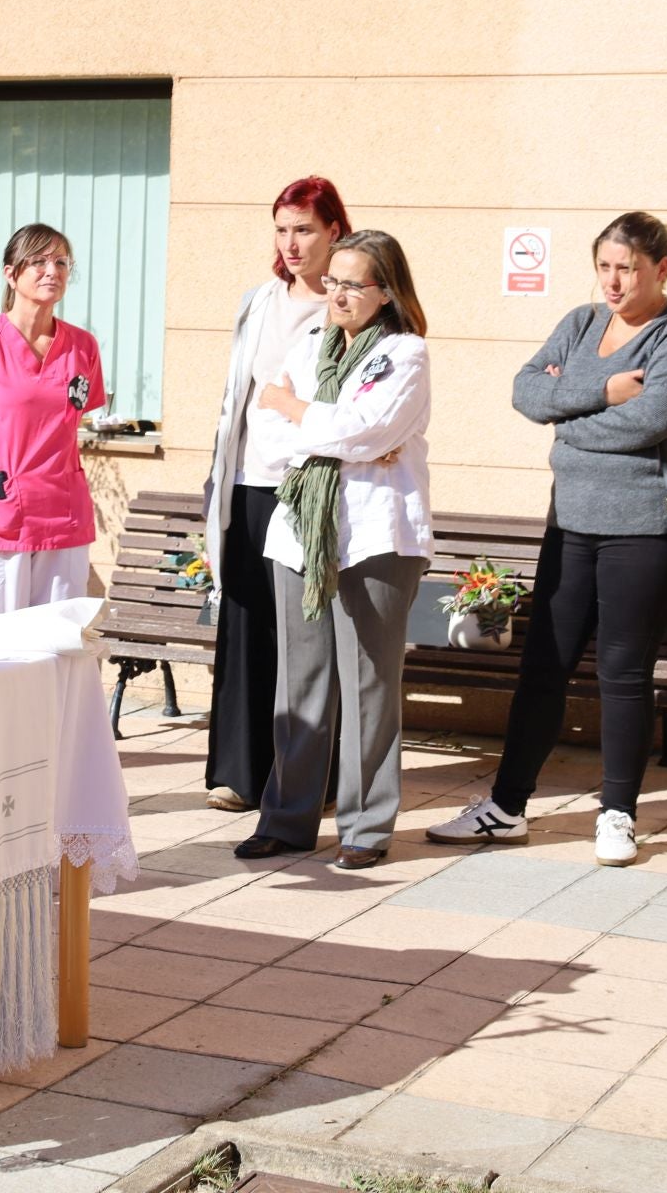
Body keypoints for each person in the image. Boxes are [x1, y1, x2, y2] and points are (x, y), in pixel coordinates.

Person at [427, 213, 667, 867]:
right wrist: (603, 390)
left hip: (642, 527)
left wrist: (570, 418)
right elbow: (528, 392)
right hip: (570, 522)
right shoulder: (582, 324)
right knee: (542, 668)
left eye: (628, 268)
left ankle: (617, 815)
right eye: (605, 266)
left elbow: (656, 417)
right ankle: (506, 808)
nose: (613, 281)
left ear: (661, 268)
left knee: (623, 673)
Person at [234, 230, 432, 870]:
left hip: (376, 538)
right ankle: (288, 820)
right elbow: (265, 434)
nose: (338, 294)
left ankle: (366, 827)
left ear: (386, 292)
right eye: (334, 281)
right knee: (301, 684)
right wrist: (323, 429)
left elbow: (362, 428)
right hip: (301, 531)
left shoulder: (405, 354)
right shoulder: (309, 345)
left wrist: (298, 412)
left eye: (354, 284)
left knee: (369, 684)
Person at [202, 177, 353, 813]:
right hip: (247, 482)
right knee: (244, 626)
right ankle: (239, 773)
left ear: (334, 233)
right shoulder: (257, 301)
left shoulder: (349, 307)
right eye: (282, 229)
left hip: (308, 487)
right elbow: (236, 395)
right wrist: (215, 480)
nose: (291, 243)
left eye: (305, 230)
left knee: (308, 634)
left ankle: (310, 777)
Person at [0, 223, 106, 614]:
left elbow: (65, 429)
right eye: (39, 261)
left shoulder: (82, 347)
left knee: (58, 649)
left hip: (63, 518)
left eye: (61, 262)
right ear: (10, 274)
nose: (53, 271)